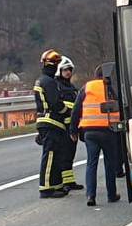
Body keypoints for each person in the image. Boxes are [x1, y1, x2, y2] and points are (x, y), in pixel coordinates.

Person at [69, 65, 122, 207]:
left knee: (91, 164)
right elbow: (120, 106)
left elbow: (76, 110)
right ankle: (111, 195)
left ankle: (90, 196)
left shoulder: (86, 87)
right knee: (109, 164)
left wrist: (73, 130)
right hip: (108, 130)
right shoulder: (109, 88)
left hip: (89, 131)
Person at [33, 49, 70, 198]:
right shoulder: (49, 82)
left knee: (56, 155)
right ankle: (46, 188)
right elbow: (55, 103)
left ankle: (56, 185)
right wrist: (67, 111)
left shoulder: (43, 80)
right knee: (49, 156)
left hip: (49, 122)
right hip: (51, 122)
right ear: (54, 66)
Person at [55, 56, 83, 191]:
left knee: (71, 153)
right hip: (63, 126)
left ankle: (70, 181)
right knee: (64, 154)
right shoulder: (57, 86)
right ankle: (64, 182)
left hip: (72, 125)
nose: (68, 72)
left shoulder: (71, 87)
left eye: (70, 70)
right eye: (65, 70)